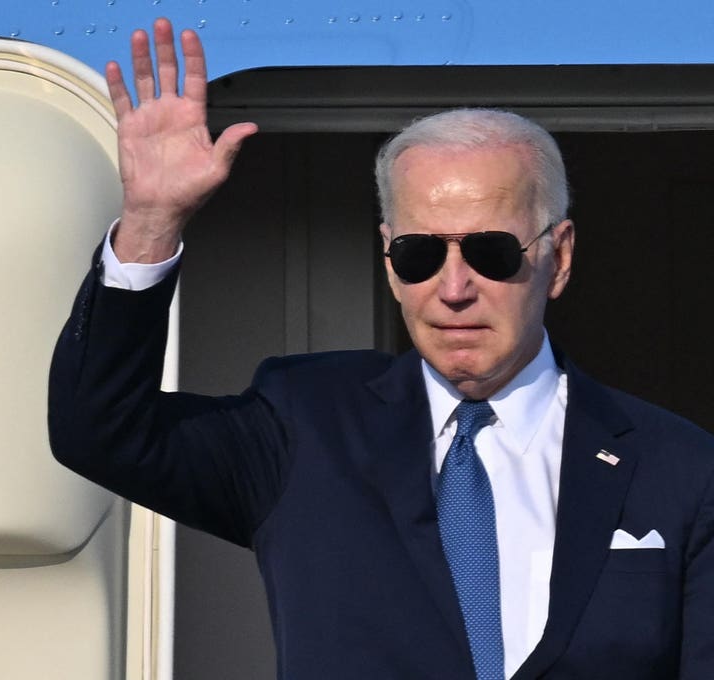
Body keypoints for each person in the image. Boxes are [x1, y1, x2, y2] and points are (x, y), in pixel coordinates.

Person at [48, 17, 714, 680]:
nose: (454, 289)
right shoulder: (305, 423)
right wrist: (152, 222)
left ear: (558, 258)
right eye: (420, 254)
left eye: (491, 252)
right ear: (391, 264)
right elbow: (100, 430)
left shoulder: (678, 465)